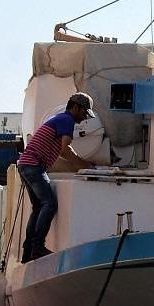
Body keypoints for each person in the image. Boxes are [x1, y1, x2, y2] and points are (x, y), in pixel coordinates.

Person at [17, 93, 98, 262]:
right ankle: (37, 247)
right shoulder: (67, 120)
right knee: (49, 204)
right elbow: (65, 150)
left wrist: (84, 164)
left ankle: (28, 251)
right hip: (33, 166)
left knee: (39, 207)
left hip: (26, 164)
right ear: (75, 107)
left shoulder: (60, 119)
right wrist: (87, 167)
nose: (84, 118)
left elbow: (67, 151)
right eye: (84, 113)